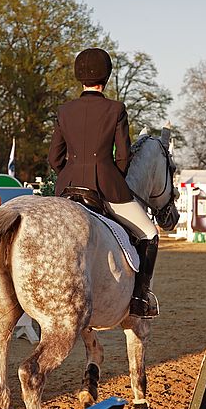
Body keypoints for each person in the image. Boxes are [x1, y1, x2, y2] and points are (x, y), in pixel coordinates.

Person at [48, 47, 159, 318]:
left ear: (79, 78)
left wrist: (70, 173)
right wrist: (113, 176)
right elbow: (123, 155)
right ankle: (139, 298)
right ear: (106, 77)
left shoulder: (65, 110)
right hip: (105, 186)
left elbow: (54, 157)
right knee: (149, 233)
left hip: (67, 185)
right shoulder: (116, 109)